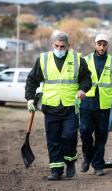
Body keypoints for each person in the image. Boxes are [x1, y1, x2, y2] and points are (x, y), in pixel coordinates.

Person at [25, 32, 92, 180]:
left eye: (62, 46)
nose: (59, 49)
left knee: (68, 136)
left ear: (68, 46)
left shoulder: (77, 59)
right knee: (53, 138)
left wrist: (82, 89)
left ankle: (70, 162)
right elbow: (31, 80)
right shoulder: (43, 59)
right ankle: (56, 170)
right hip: (51, 105)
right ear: (52, 45)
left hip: (70, 106)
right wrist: (30, 98)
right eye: (57, 46)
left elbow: (87, 78)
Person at [79, 33, 112, 176]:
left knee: (101, 135)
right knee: (85, 132)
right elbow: (79, 80)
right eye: (99, 44)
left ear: (107, 45)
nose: (102, 47)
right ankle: (87, 157)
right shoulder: (85, 60)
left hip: (104, 104)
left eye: (104, 44)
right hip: (87, 101)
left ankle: (98, 165)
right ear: (94, 44)